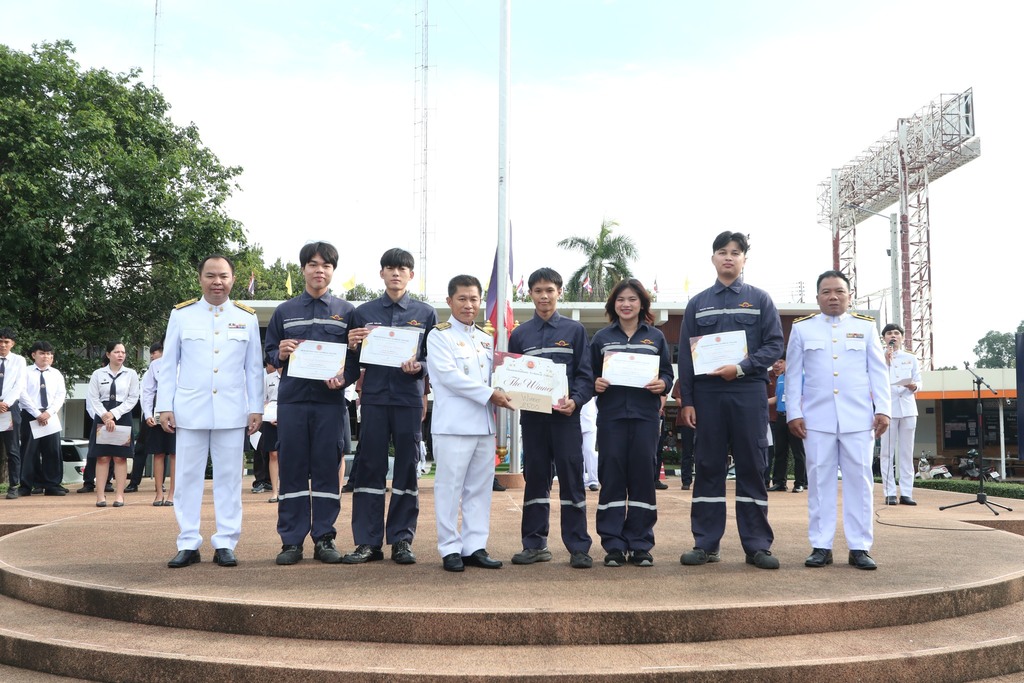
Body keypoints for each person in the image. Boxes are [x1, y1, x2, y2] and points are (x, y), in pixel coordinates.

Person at [677, 231, 784, 570]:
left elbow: (774, 345)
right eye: (722, 251)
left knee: (753, 465)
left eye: (735, 252)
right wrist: (687, 401)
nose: (728, 257)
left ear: (744, 260)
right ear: (713, 258)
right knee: (708, 465)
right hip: (708, 395)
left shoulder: (760, 299)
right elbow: (686, 356)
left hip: (748, 390)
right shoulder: (698, 303)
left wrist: (740, 367)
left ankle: (757, 546)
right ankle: (706, 544)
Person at [158, 255, 264, 569]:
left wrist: (256, 408)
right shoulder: (182, 314)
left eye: (223, 276)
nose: (217, 282)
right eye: (210, 275)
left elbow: (253, 368)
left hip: (231, 411)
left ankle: (226, 542)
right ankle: (188, 542)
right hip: (190, 410)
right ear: (200, 278)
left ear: (232, 279)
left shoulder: (246, 317)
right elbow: (169, 364)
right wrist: (165, 405)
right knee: (187, 478)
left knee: (229, 480)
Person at [785, 270, 891, 571]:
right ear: (818, 297)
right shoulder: (802, 329)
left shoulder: (865, 327)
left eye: (839, 291)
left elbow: (878, 372)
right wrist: (794, 412)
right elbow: (792, 375)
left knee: (861, 482)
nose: (833, 297)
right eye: (827, 292)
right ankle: (821, 545)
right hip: (816, 419)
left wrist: (883, 408)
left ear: (849, 295)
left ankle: (860, 547)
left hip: (858, 418)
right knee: (819, 481)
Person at [342, 248, 437, 565]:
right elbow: (352, 361)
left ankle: (401, 540)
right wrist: (351, 345)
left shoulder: (426, 313)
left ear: (411, 275)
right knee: (369, 466)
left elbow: (433, 358)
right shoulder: (362, 312)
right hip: (374, 399)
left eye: (402, 269)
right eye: (390, 268)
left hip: (408, 399)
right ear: (381, 273)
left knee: (407, 467)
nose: (396, 273)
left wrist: (420, 367)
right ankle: (367, 542)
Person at [264, 241, 354, 565]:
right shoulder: (284, 311)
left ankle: (325, 538)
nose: (320, 270)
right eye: (313, 264)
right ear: (303, 269)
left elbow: (355, 361)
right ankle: (291, 541)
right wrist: (279, 353)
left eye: (326, 265)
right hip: (293, 402)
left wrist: (343, 378)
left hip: (329, 404)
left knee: (328, 469)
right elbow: (270, 352)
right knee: (292, 469)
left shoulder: (347, 312)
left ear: (333, 270)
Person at [508, 267, 595, 569]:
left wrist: (576, 400)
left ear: (559, 292)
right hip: (533, 420)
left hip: (565, 418)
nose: (544, 296)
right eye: (538, 291)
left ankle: (578, 547)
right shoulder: (520, 335)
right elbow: (512, 375)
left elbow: (585, 374)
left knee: (572, 480)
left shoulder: (574, 331)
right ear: (530, 294)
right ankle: (534, 545)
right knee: (535, 480)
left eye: (549, 290)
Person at [426, 274, 512, 572]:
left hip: (484, 425)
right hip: (453, 426)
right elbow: (449, 376)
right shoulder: (439, 335)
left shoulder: (486, 339)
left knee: (479, 489)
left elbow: (497, 377)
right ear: (449, 301)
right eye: (462, 298)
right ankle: (450, 548)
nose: (468, 304)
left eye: (474, 299)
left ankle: (474, 545)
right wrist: (491, 394)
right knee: (449, 488)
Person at [590, 279, 673, 567]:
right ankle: (613, 544)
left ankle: (640, 543)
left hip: (645, 418)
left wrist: (663, 384)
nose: (626, 304)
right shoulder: (601, 338)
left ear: (642, 304)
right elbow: (588, 374)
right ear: (613, 304)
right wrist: (595, 383)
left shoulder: (656, 337)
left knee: (642, 478)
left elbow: (667, 373)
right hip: (611, 418)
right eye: (621, 299)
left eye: (632, 299)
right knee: (612, 477)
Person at [86, 342, 141, 508]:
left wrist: (114, 414)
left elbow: (133, 398)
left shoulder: (131, 374)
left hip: (122, 414)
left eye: (123, 352)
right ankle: (100, 496)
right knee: (102, 457)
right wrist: (105, 415)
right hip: (102, 414)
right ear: (108, 354)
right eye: (117, 352)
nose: (120, 355)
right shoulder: (98, 374)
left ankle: (119, 495)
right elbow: (93, 397)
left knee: (119, 457)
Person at [879, 323, 921, 506]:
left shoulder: (910, 358)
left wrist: (914, 386)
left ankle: (906, 493)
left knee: (906, 453)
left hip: (908, 408)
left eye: (896, 333)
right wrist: (886, 361)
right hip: (888, 409)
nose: (893, 336)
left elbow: (919, 380)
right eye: (889, 333)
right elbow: (875, 380)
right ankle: (889, 492)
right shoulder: (878, 357)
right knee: (887, 453)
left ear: (902, 337)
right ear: (884, 338)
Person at [19, 341, 67, 496]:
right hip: (30, 414)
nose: (45, 356)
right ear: (34, 355)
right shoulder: (25, 372)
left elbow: (61, 395)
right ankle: (26, 485)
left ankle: (52, 485)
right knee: (29, 451)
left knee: (52, 450)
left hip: (50, 415)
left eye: (48, 354)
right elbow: (22, 393)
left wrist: (49, 412)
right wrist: (37, 413)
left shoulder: (56, 374)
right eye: (42, 353)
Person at [140, 341, 175, 506]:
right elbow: (148, 390)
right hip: (159, 413)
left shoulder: (186, 362)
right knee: (159, 453)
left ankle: (173, 493)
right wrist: (147, 413)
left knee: (175, 454)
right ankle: (159, 492)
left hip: (180, 415)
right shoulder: (155, 365)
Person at [767, 357, 807, 493]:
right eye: (775, 361)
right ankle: (779, 482)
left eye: (781, 362)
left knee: (798, 452)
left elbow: (805, 397)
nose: (777, 364)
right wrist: (762, 402)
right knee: (780, 451)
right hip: (781, 416)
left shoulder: (802, 376)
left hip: (795, 418)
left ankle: (800, 482)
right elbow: (778, 398)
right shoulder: (780, 378)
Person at [0, 328, 27, 499]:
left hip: (9, 407)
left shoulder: (19, 360)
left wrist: (5, 403)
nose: (2, 345)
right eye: (0, 341)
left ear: (12, 344)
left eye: (6, 342)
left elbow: (19, 385)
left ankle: (13, 485)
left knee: (12, 449)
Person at [257, 363, 281, 502]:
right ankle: (275, 492)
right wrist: (267, 414)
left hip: (290, 417)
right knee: (273, 454)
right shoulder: (268, 378)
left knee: (289, 455)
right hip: (270, 418)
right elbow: (263, 400)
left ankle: (287, 490)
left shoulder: (293, 376)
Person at [671, 382, 695, 491]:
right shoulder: (681, 380)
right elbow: (678, 399)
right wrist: (691, 408)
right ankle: (686, 481)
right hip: (686, 421)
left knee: (703, 451)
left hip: (703, 419)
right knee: (687, 452)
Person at [580, 398, 599, 492]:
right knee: (577, 453)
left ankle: (593, 480)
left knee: (590, 450)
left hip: (591, 420)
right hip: (574, 420)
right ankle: (580, 480)